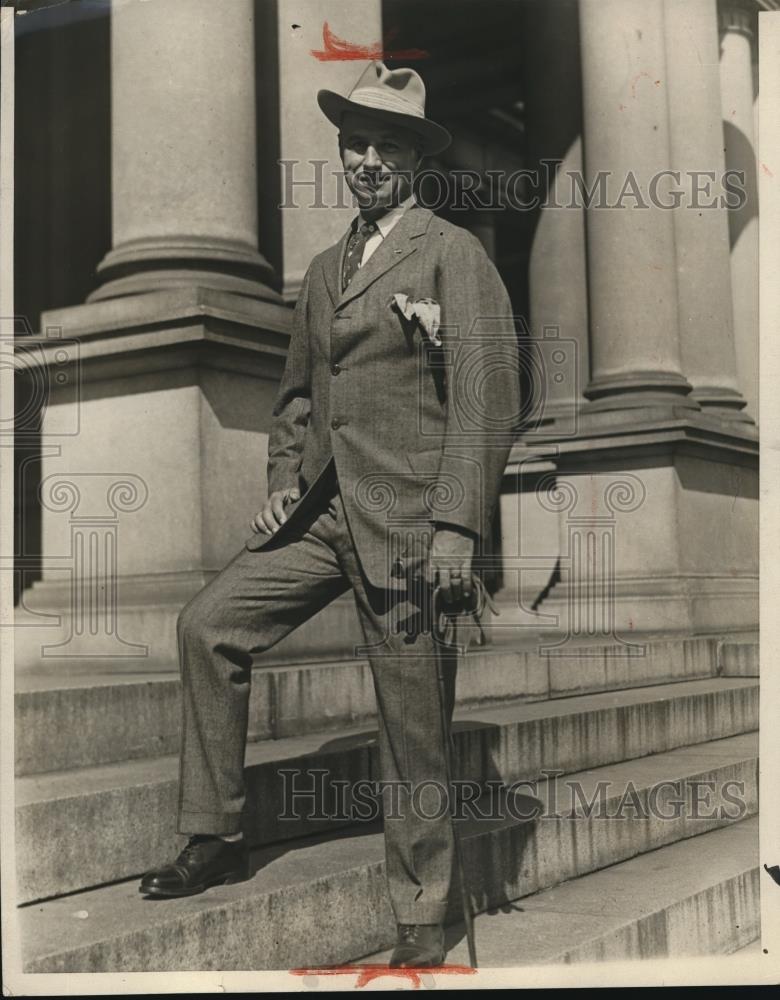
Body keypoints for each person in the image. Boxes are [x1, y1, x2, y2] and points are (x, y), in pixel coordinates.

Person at [139, 60, 520, 969]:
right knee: (207, 626)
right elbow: (298, 395)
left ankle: (423, 915)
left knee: (413, 723)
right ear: (342, 154)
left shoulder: (452, 253)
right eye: (356, 144)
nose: (368, 160)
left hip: (417, 526)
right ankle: (214, 833)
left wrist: (458, 526)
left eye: (388, 146)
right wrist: (282, 474)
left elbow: (486, 398)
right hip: (322, 514)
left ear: (417, 160)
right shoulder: (321, 270)